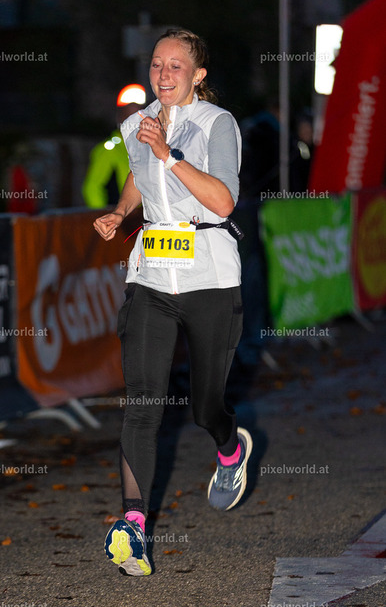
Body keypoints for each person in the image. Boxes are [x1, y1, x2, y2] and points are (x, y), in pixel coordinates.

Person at [93, 28, 253, 577]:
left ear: (198, 74)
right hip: (152, 275)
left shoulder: (217, 123)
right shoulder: (137, 124)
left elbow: (223, 200)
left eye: (176, 65)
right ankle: (133, 526)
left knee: (206, 406)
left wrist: (170, 154)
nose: (163, 73)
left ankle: (229, 447)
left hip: (209, 273)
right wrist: (120, 213)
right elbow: (140, 178)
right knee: (142, 402)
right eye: (157, 63)